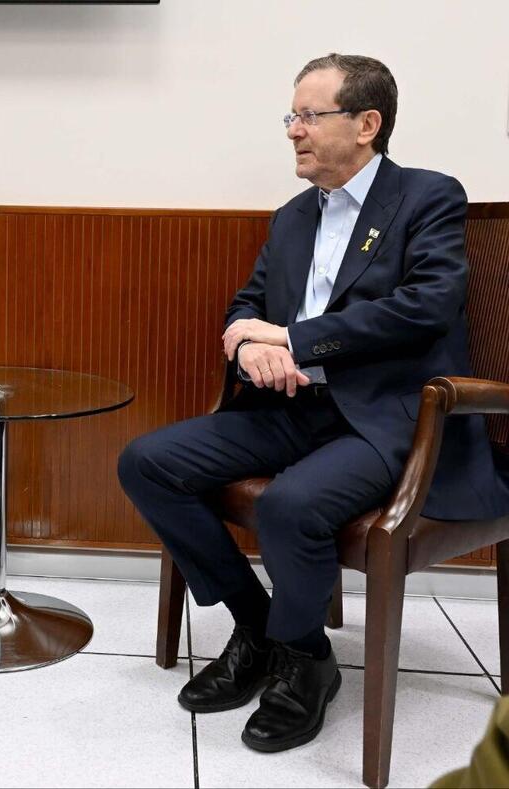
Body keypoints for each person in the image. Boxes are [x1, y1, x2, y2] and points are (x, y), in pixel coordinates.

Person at [117, 53, 509, 753]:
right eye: (291, 116)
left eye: (308, 115)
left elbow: (427, 305)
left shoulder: (427, 197)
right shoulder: (292, 218)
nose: (293, 130)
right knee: (148, 462)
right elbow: (248, 305)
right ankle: (261, 624)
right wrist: (246, 344)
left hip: (393, 419)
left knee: (289, 506)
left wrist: (296, 339)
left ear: (367, 124)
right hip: (292, 410)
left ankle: (305, 663)